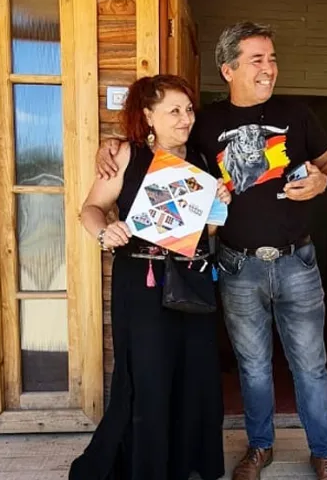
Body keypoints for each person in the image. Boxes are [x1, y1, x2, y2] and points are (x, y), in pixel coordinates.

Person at [96, 22, 327, 480]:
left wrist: (325, 181)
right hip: (235, 263)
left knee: (310, 365)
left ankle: (324, 452)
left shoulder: (297, 112)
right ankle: (260, 448)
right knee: (252, 366)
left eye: (272, 58)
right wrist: (110, 144)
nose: (269, 68)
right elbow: (156, 144)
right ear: (228, 70)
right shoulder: (203, 124)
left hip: (297, 260)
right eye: (257, 59)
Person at [70, 74, 230, 480]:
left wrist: (218, 204)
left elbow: (208, 232)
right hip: (141, 284)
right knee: (148, 376)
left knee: (193, 374)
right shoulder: (127, 155)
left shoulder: (202, 159)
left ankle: (184, 464)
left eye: (188, 109)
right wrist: (105, 232)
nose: (185, 119)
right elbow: (90, 209)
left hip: (191, 281)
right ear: (148, 115)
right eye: (173, 111)